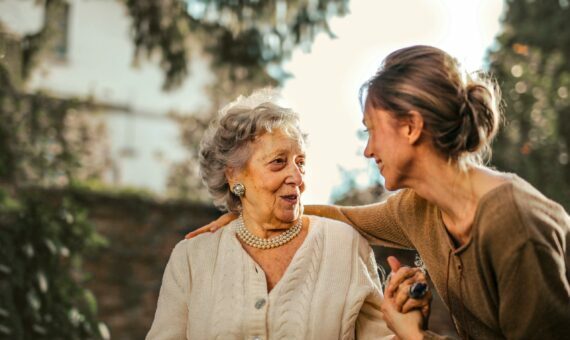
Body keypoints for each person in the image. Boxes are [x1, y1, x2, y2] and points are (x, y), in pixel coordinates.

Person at [187, 46, 570, 339]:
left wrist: (411, 336)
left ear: (411, 127)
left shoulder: (514, 226)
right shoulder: (419, 208)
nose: (368, 150)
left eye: (371, 129)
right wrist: (251, 211)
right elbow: (342, 217)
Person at [146, 90, 429, 339]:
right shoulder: (192, 258)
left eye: (300, 162)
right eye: (278, 162)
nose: (296, 176)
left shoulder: (344, 244)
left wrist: (407, 328)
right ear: (233, 175)